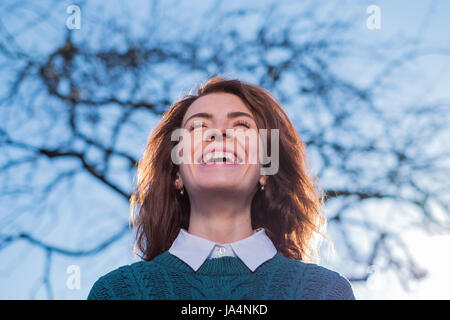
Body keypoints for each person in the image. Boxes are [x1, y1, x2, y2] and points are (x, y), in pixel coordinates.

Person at [87, 76, 356, 300]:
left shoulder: (325, 292)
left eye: (241, 124)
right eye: (198, 126)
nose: (219, 133)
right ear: (177, 174)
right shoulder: (116, 293)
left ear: (265, 170)